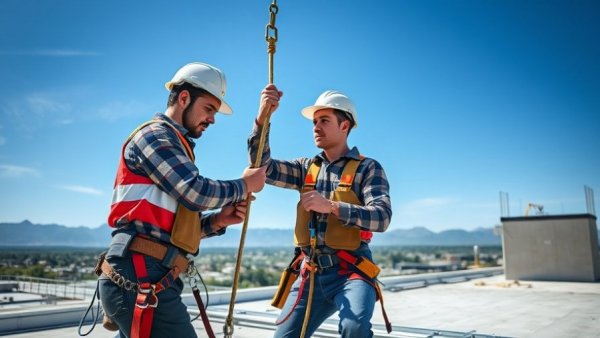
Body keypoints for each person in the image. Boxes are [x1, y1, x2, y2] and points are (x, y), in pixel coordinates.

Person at [98, 62, 267, 338]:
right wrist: (244, 185)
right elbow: (195, 192)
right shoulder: (154, 136)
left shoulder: (177, 147)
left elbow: (170, 231)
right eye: (209, 109)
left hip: (146, 275)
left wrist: (218, 221)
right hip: (139, 274)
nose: (212, 119)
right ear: (184, 98)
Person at [249, 85, 392, 337]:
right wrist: (263, 118)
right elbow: (262, 165)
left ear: (344, 126)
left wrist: (332, 206)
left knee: (354, 327)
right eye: (315, 121)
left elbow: (382, 217)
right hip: (311, 273)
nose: (316, 127)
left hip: (351, 271)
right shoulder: (306, 168)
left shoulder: (368, 168)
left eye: (324, 120)